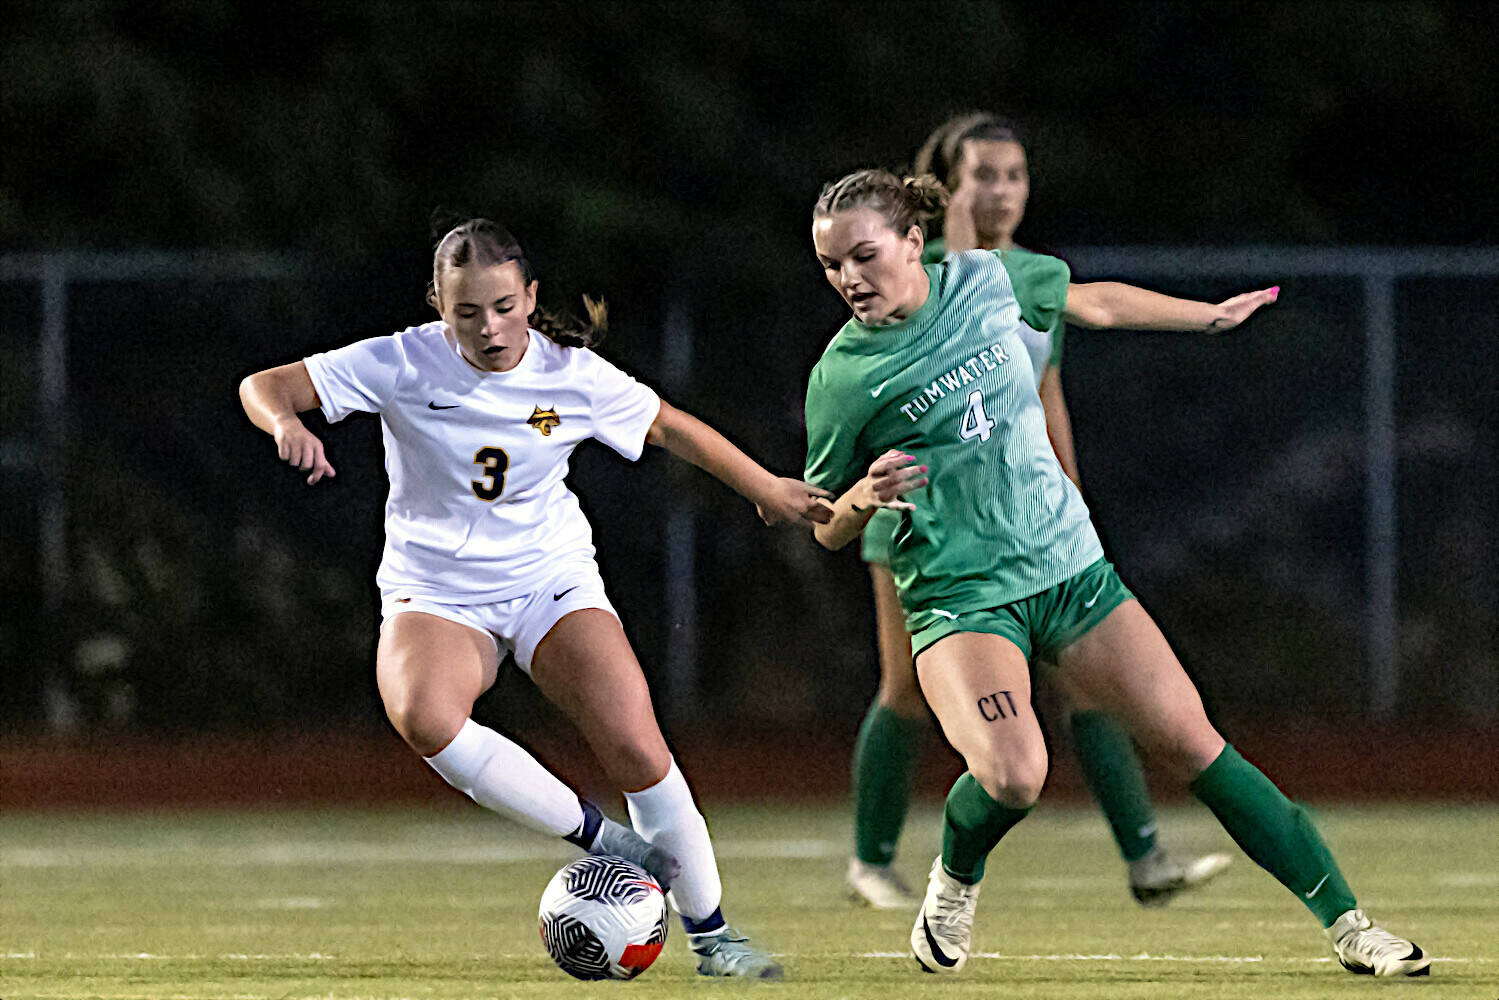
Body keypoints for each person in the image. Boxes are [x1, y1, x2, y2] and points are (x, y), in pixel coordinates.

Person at [803, 170, 1431, 978]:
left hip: (1070, 569)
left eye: (862, 255)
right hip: (961, 600)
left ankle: (1351, 926)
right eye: (830, 265)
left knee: (1192, 742)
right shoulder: (844, 375)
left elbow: (1096, 301)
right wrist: (861, 495)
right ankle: (954, 878)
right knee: (1013, 773)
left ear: (913, 242)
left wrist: (1205, 317)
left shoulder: (991, 279)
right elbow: (823, 523)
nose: (848, 278)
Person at [239, 218, 832, 980]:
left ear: (530, 297)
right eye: (466, 313)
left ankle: (715, 939)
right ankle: (599, 838)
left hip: (547, 579)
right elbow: (263, 386)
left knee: (636, 746)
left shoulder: (570, 373)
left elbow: (670, 428)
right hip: (437, 589)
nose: (488, 328)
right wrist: (286, 422)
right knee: (424, 716)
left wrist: (765, 489)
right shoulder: (398, 360)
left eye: (502, 306)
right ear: (437, 306)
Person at [845, 112, 1229, 910]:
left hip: (1027, 521)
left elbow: (1044, 393)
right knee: (905, 690)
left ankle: (1145, 858)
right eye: (982, 174)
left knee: (1089, 686)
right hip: (927, 515)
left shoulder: (1034, 276)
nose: (1001, 190)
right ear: (945, 185)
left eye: (1014, 175)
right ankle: (870, 861)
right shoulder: (918, 272)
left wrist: (1072, 494)